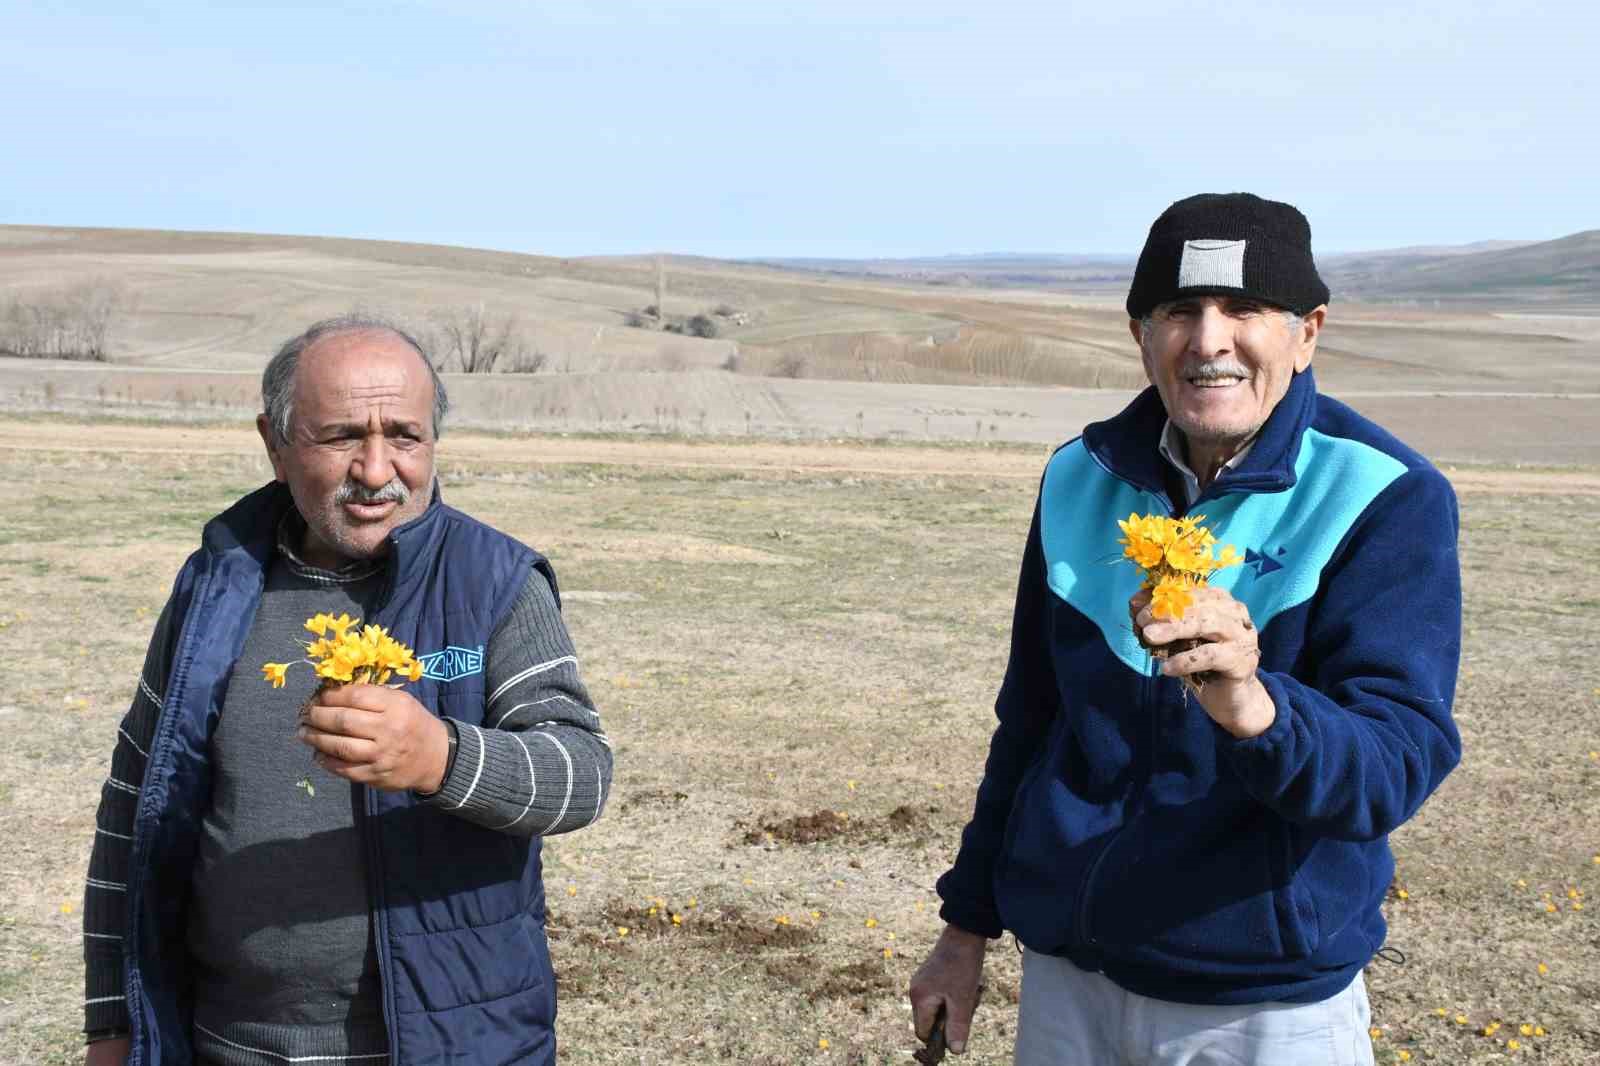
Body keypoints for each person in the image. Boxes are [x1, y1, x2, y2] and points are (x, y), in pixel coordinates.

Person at [909, 193, 1462, 1065]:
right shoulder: (1078, 477)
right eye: (1179, 312)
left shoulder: (1383, 496)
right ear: (1141, 335)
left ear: (1307, 332)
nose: (1209, 342)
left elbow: (1394, 766)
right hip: (1069, 980)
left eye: (1245, 311)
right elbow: (1030, 727)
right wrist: (964, 928)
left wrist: (1254, 704)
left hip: (1256, 1005)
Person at [82, 314, 613, 1066]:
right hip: (227, 1043)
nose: (375, 469)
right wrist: (112, 1021)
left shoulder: (493, 582)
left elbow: (580, 774)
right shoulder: (217, 586)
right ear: (275, 443)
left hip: (442, 1043)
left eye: (404, 435)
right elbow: (135, 804)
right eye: (340, 438)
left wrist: (442, 758)